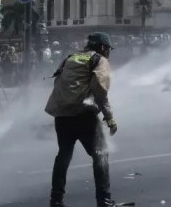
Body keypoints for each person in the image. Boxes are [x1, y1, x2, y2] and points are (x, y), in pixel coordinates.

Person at [45, 33, 119, 207]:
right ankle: (104, 200)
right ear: (102, 47)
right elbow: (99, 90)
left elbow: (58, 83)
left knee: (64, 155)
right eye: (108, 49)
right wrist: (109, 118)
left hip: (62, 115)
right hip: (83, 115)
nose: (108, 53)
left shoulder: (70, 58)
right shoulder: (99, 60)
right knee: (100, 155)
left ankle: (56, 200)